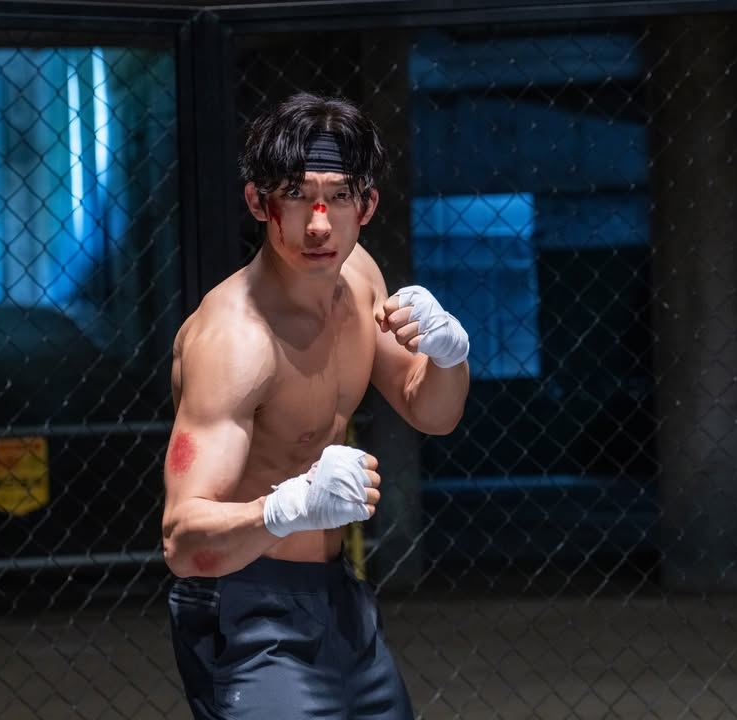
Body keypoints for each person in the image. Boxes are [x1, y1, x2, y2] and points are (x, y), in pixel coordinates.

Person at [161, 91, 470, 719]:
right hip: (244, 605)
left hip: (338, 597)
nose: (320, 224)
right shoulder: (235, 342)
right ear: (258, 202)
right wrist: (290, 506)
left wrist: (449, 354)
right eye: (297, 196)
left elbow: (433, 413)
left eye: (339, 197)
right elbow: (183, 543)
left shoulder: (360, 279)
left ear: (367, 206)